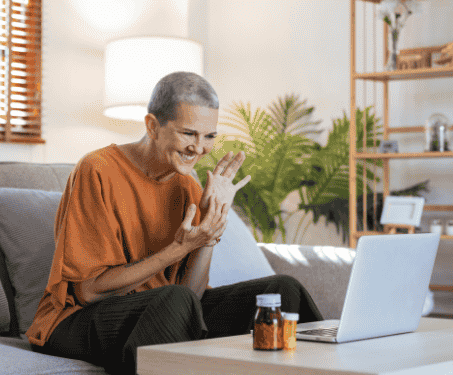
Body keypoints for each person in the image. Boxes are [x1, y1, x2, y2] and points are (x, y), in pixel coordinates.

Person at [26, 71, 323, 375]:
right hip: (75, 318)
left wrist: (209, 230)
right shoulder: (97, 170)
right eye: (188, 133)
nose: (199, 148)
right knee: (173, 300)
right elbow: (88, 291)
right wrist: (177, 249)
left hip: (163, 312)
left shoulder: (188, 187)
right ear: (153, 126)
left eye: (209, 137)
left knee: (283, 290)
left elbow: (192, 296)